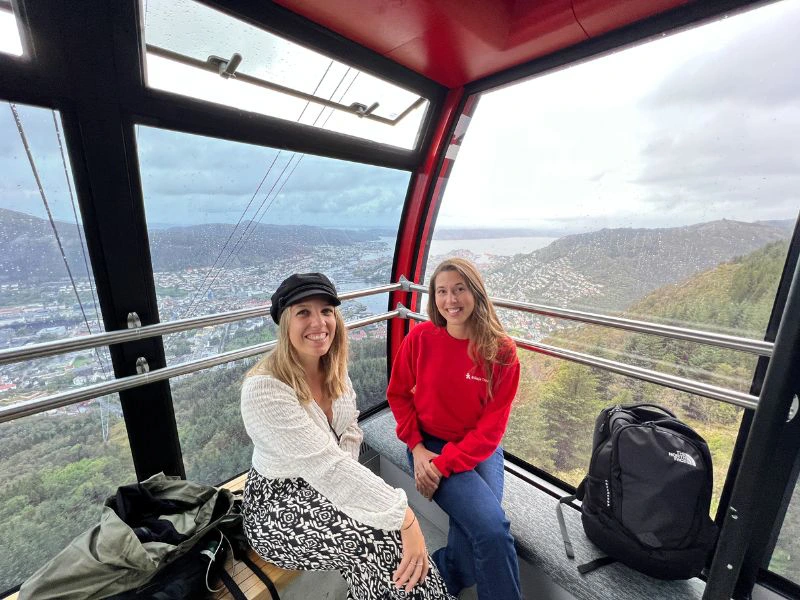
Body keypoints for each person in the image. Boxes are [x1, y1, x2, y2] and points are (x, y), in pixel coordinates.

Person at [240, 272, 453, 599]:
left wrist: (356, 500)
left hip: (324, 483)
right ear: (285, 324)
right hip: (277, 506)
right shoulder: (265, 390)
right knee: (383, 535)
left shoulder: (332, 370)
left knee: (376, 532)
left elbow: (350, 434)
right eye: (303, 312)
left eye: (326, 311)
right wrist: (406, 518)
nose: (318, 322)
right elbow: (329, 467)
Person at [387, 258, 522, 600]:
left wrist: (441, 466)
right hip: (429, 442)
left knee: (485, 529)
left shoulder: (501, 352)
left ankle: (444, 574)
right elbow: (399, 395)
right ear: (433, 299)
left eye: (460, 289)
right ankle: (446, 576)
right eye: (443, 292)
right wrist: (417, 450)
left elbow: (491, 431)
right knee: (491, 529)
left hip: (479, 447)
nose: (451, 300)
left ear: (475, 293)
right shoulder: (421, 338)